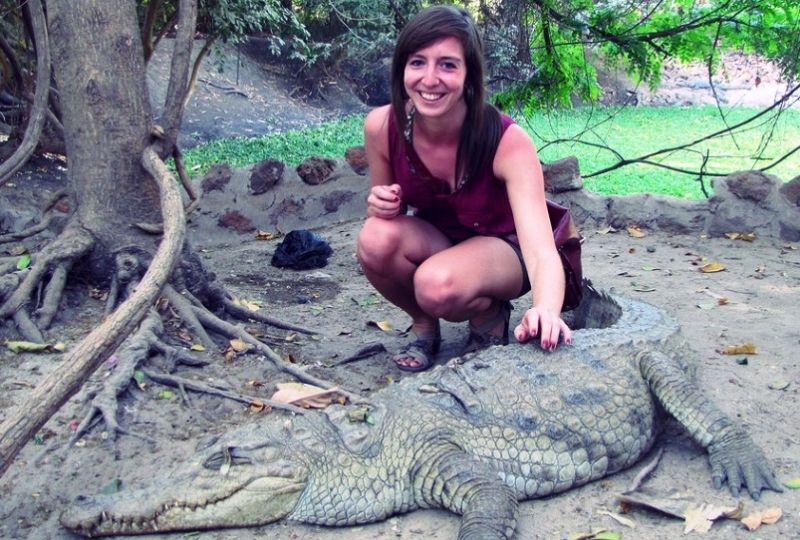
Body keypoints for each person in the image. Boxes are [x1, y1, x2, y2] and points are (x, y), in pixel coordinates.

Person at [356, 4, 573, 372]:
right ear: (402, 69)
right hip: (441, 242)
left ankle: (489, 312)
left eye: (447, 64)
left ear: (469, 74)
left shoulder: (507, 141)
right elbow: (385, 216)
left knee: (436, 284)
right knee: (375, 238)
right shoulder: (381, 127)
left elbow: (540, 250)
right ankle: (423, 325)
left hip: (504, 252)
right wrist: (381, 205)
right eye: (418, 62)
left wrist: (546, 311)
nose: (429, 79)